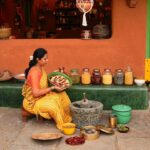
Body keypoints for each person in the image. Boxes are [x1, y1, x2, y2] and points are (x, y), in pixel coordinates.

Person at [22, 48, 72, 130]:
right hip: (33, 102)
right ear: (38, 59)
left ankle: (68, 118)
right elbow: (35, 93)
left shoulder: (40, 67)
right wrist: (52, 88)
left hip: (43, 95)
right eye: (45, 59)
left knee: (62, 94)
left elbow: (44, 81)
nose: (47, 60)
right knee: (52, 105)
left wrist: (57, 73)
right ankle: (63, 125)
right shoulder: (35, 72)